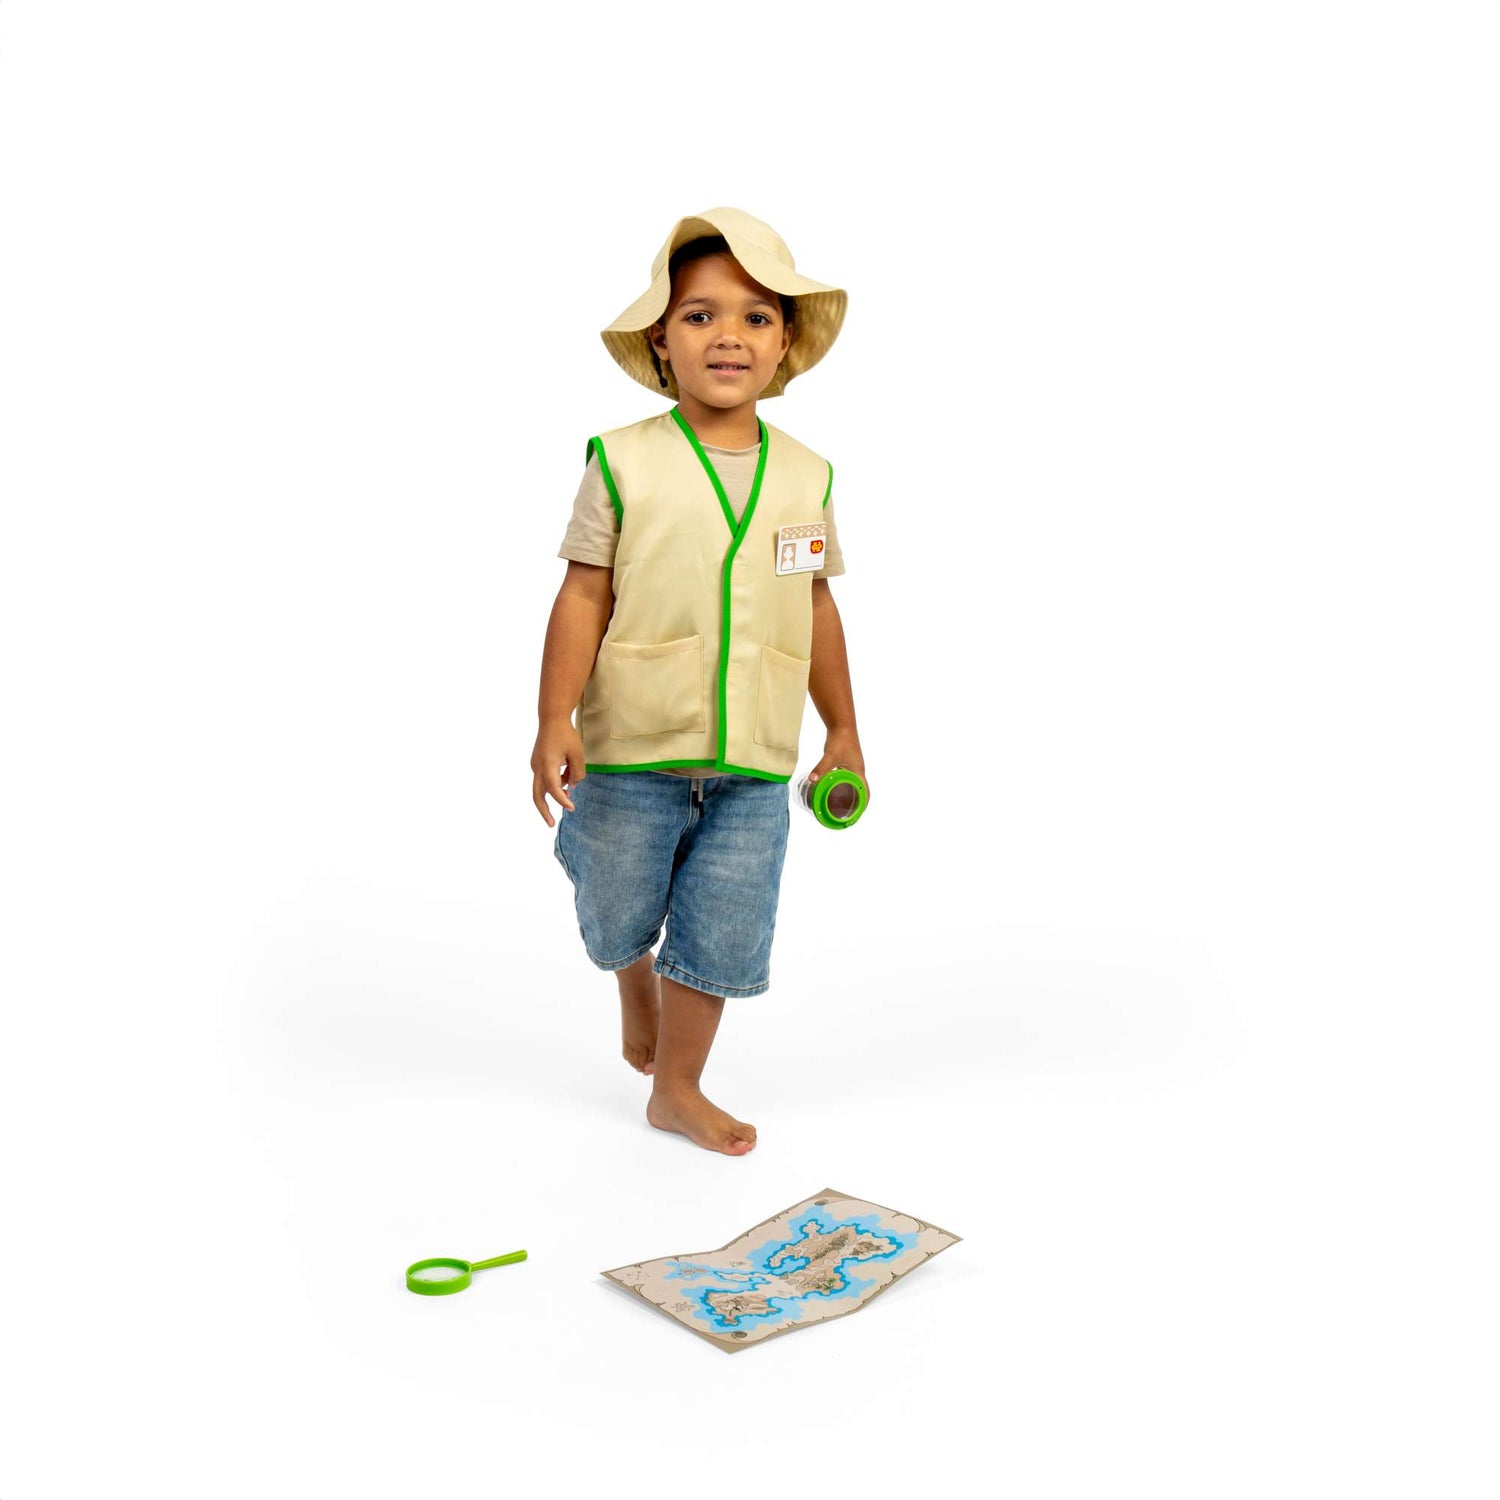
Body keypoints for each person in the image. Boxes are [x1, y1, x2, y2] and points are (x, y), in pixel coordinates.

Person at [529, 207, 868, 1156]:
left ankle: (676, 1087)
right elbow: (583, 594)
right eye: (699, 315)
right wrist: (555, 715)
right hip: (631, 745)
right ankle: (630, 971)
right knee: (616, 900)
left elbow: (816, 607)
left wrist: (843, 731)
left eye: (757, 317)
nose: (729, 335)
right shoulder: (622, 461)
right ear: (660, 340)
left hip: (755, 757)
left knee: (723, 924)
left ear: (785, 343)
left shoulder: (806, 477)